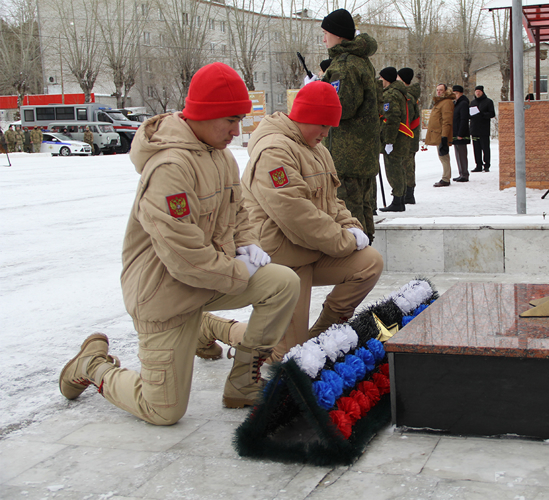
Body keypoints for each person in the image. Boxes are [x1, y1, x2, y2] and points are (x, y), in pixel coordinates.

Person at [59, 62, 301, 424]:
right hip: (165, 296)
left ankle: (241, 383)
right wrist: (238, 270)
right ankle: (92, 365)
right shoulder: (170, 168)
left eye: (240, 120)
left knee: (283, 283)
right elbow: (184, 259)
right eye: (230, 120)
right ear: (204, 115)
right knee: (163, 411)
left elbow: (238, 215)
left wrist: (247, 243)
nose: (237, 131)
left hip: (209, 281)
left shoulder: (219, 156)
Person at [202, 81, 382, 366]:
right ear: (302, 116)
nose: (325, 133)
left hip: (314, 249)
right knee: (283, 357)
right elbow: (296, 214)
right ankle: (214, 327)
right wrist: (344, 241)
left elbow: (332, 200)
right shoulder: (274, 151)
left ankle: (320, 339)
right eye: (321, 125)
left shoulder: (316, 149)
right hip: (284, 258)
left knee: (368, 262)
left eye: (329, 126)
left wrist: (352, 226)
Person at [319, 8, 380, 243]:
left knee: (349, 213)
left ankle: (359, 264)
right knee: (363, 206)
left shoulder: (344, 65)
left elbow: (341, 107)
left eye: (326, 33)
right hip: (361, 152)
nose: (324, 38)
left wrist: (319, 91)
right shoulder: (360, 61)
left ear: (338, 35)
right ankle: (368, 255)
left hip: (346, 153)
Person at [378, 66, 411, 212]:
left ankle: (398, 200)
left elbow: (392, 119)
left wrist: (389, 141)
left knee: (393, 170)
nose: (380, 81)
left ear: (386, 79)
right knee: (398, 169)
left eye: (381, 78)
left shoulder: (391, 95)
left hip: (394, 139)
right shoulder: (399, 92)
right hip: (400, 137)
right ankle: (400, 198)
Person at [398, 68, 420, 204]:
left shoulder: (408, 97)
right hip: (410, 135)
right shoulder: (409, 95)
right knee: (407, 164)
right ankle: (408, 192)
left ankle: (409, 193)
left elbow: (407, 117)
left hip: (408, 136)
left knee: (407, 165)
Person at [425, 83, 454, 187]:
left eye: (441, 90)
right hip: (438, 134)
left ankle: (446, 178)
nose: (438, 92)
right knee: (442, 155)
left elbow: (447, 121)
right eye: (437, 90)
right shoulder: (440, 102)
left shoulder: (446, 102)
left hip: (441, 134)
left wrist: (444, 136)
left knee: (444, 156)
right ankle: (446, 177)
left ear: (446, 91)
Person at [469, 85, 495, 172]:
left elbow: (492, 114)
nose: (477, 93)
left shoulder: (488, 102)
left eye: (479, 91)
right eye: (476, 91)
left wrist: (482, 114)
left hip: (484, 129)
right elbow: (470, 114)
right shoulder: (473, 102)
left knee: (485, 147)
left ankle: (486, 165)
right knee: (476, 148)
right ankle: (478, 165)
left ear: (482, 92)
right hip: (474, 129)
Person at [451, 85, 470, 183]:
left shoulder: (463, 103)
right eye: (453, 93)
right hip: (456, 132)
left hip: (461, 133)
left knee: (462, 154)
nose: (455, 95)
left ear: (461, 93)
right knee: (458, 153)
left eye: (456, 93)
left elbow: (464, 119)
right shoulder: (457, 103)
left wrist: (461, 133)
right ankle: (461, 173)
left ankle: (465, 174)